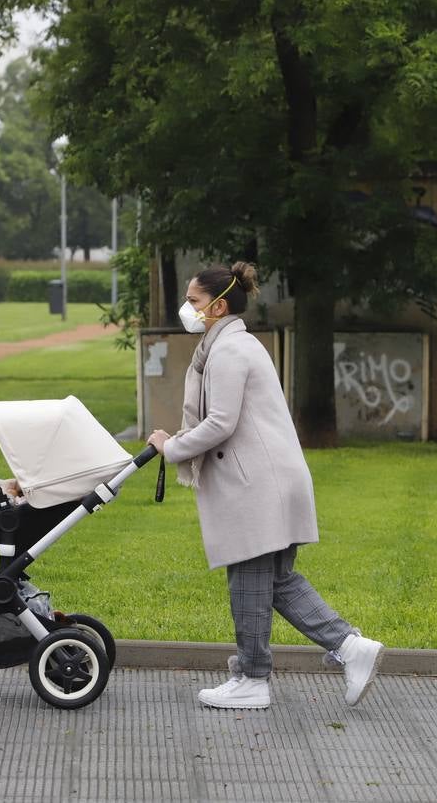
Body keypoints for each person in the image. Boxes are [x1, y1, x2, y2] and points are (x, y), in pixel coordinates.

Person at [146, 262, 383, 711]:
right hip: (268, 480)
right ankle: (351, 648)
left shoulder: (230, 351)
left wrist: (172, 446)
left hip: (255, 485)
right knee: (275, 582)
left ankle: (253, 679)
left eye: (194, 301)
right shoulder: (233, 345)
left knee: (249, 584)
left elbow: (220, 422)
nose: (187, 309)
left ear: (218, 306)